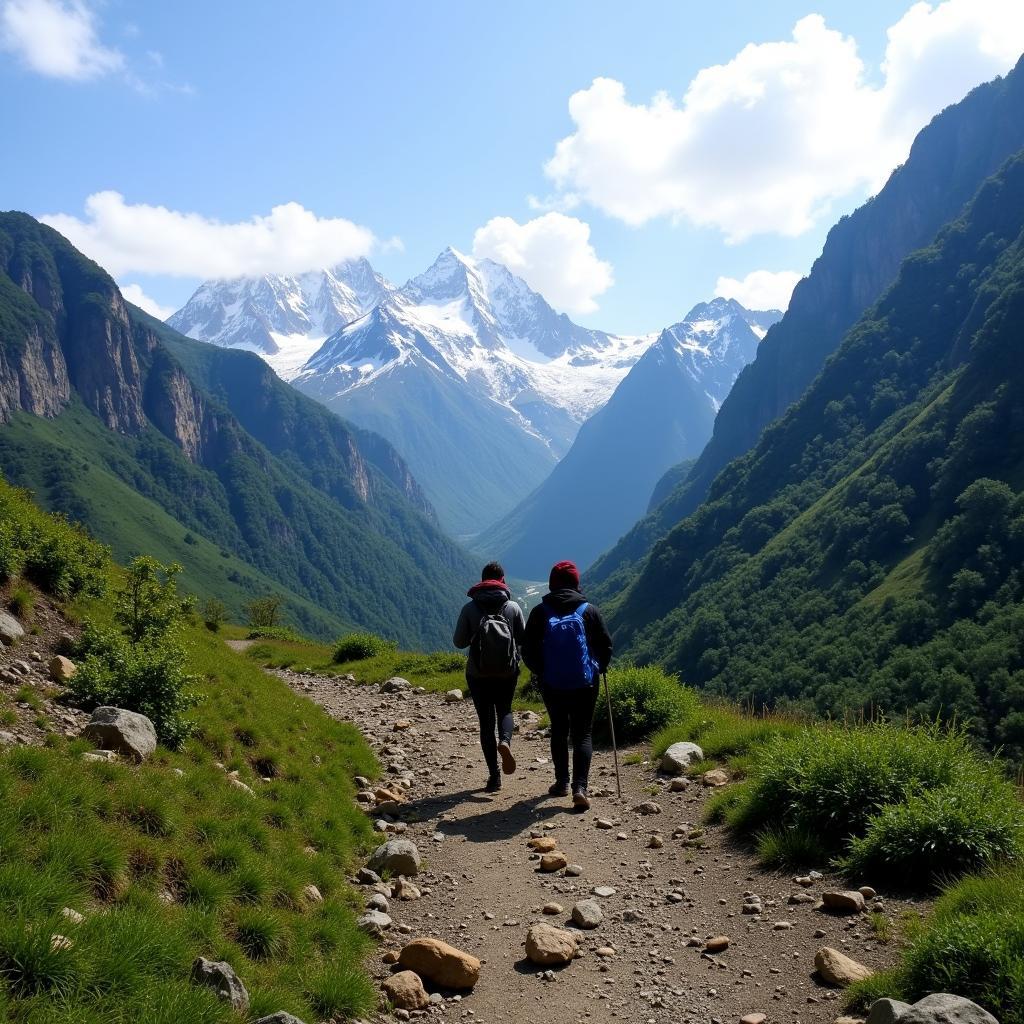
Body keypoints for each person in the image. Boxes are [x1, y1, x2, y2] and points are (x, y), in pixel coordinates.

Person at [523, 560, 612, 811]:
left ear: (552, 583)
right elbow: (605, 646)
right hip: (585, 682)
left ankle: (561, 783)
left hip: (552, 683)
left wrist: (541, 671)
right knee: (582, 733)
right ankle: (580, 788)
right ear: (576, 582)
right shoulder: (589, 610)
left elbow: (527, 649)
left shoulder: (540, 612)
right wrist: (599, 667)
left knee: (559, 730)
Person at [453, 561, 526, 793]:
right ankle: (505, 741)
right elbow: (523, 639)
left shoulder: (469, 608)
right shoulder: (513, 607)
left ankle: (494, 778)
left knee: (486, 722)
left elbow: (459, 642)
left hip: (478, 673)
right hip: (507, 672)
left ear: (482, 580)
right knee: (505, 709)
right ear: (502, 580)